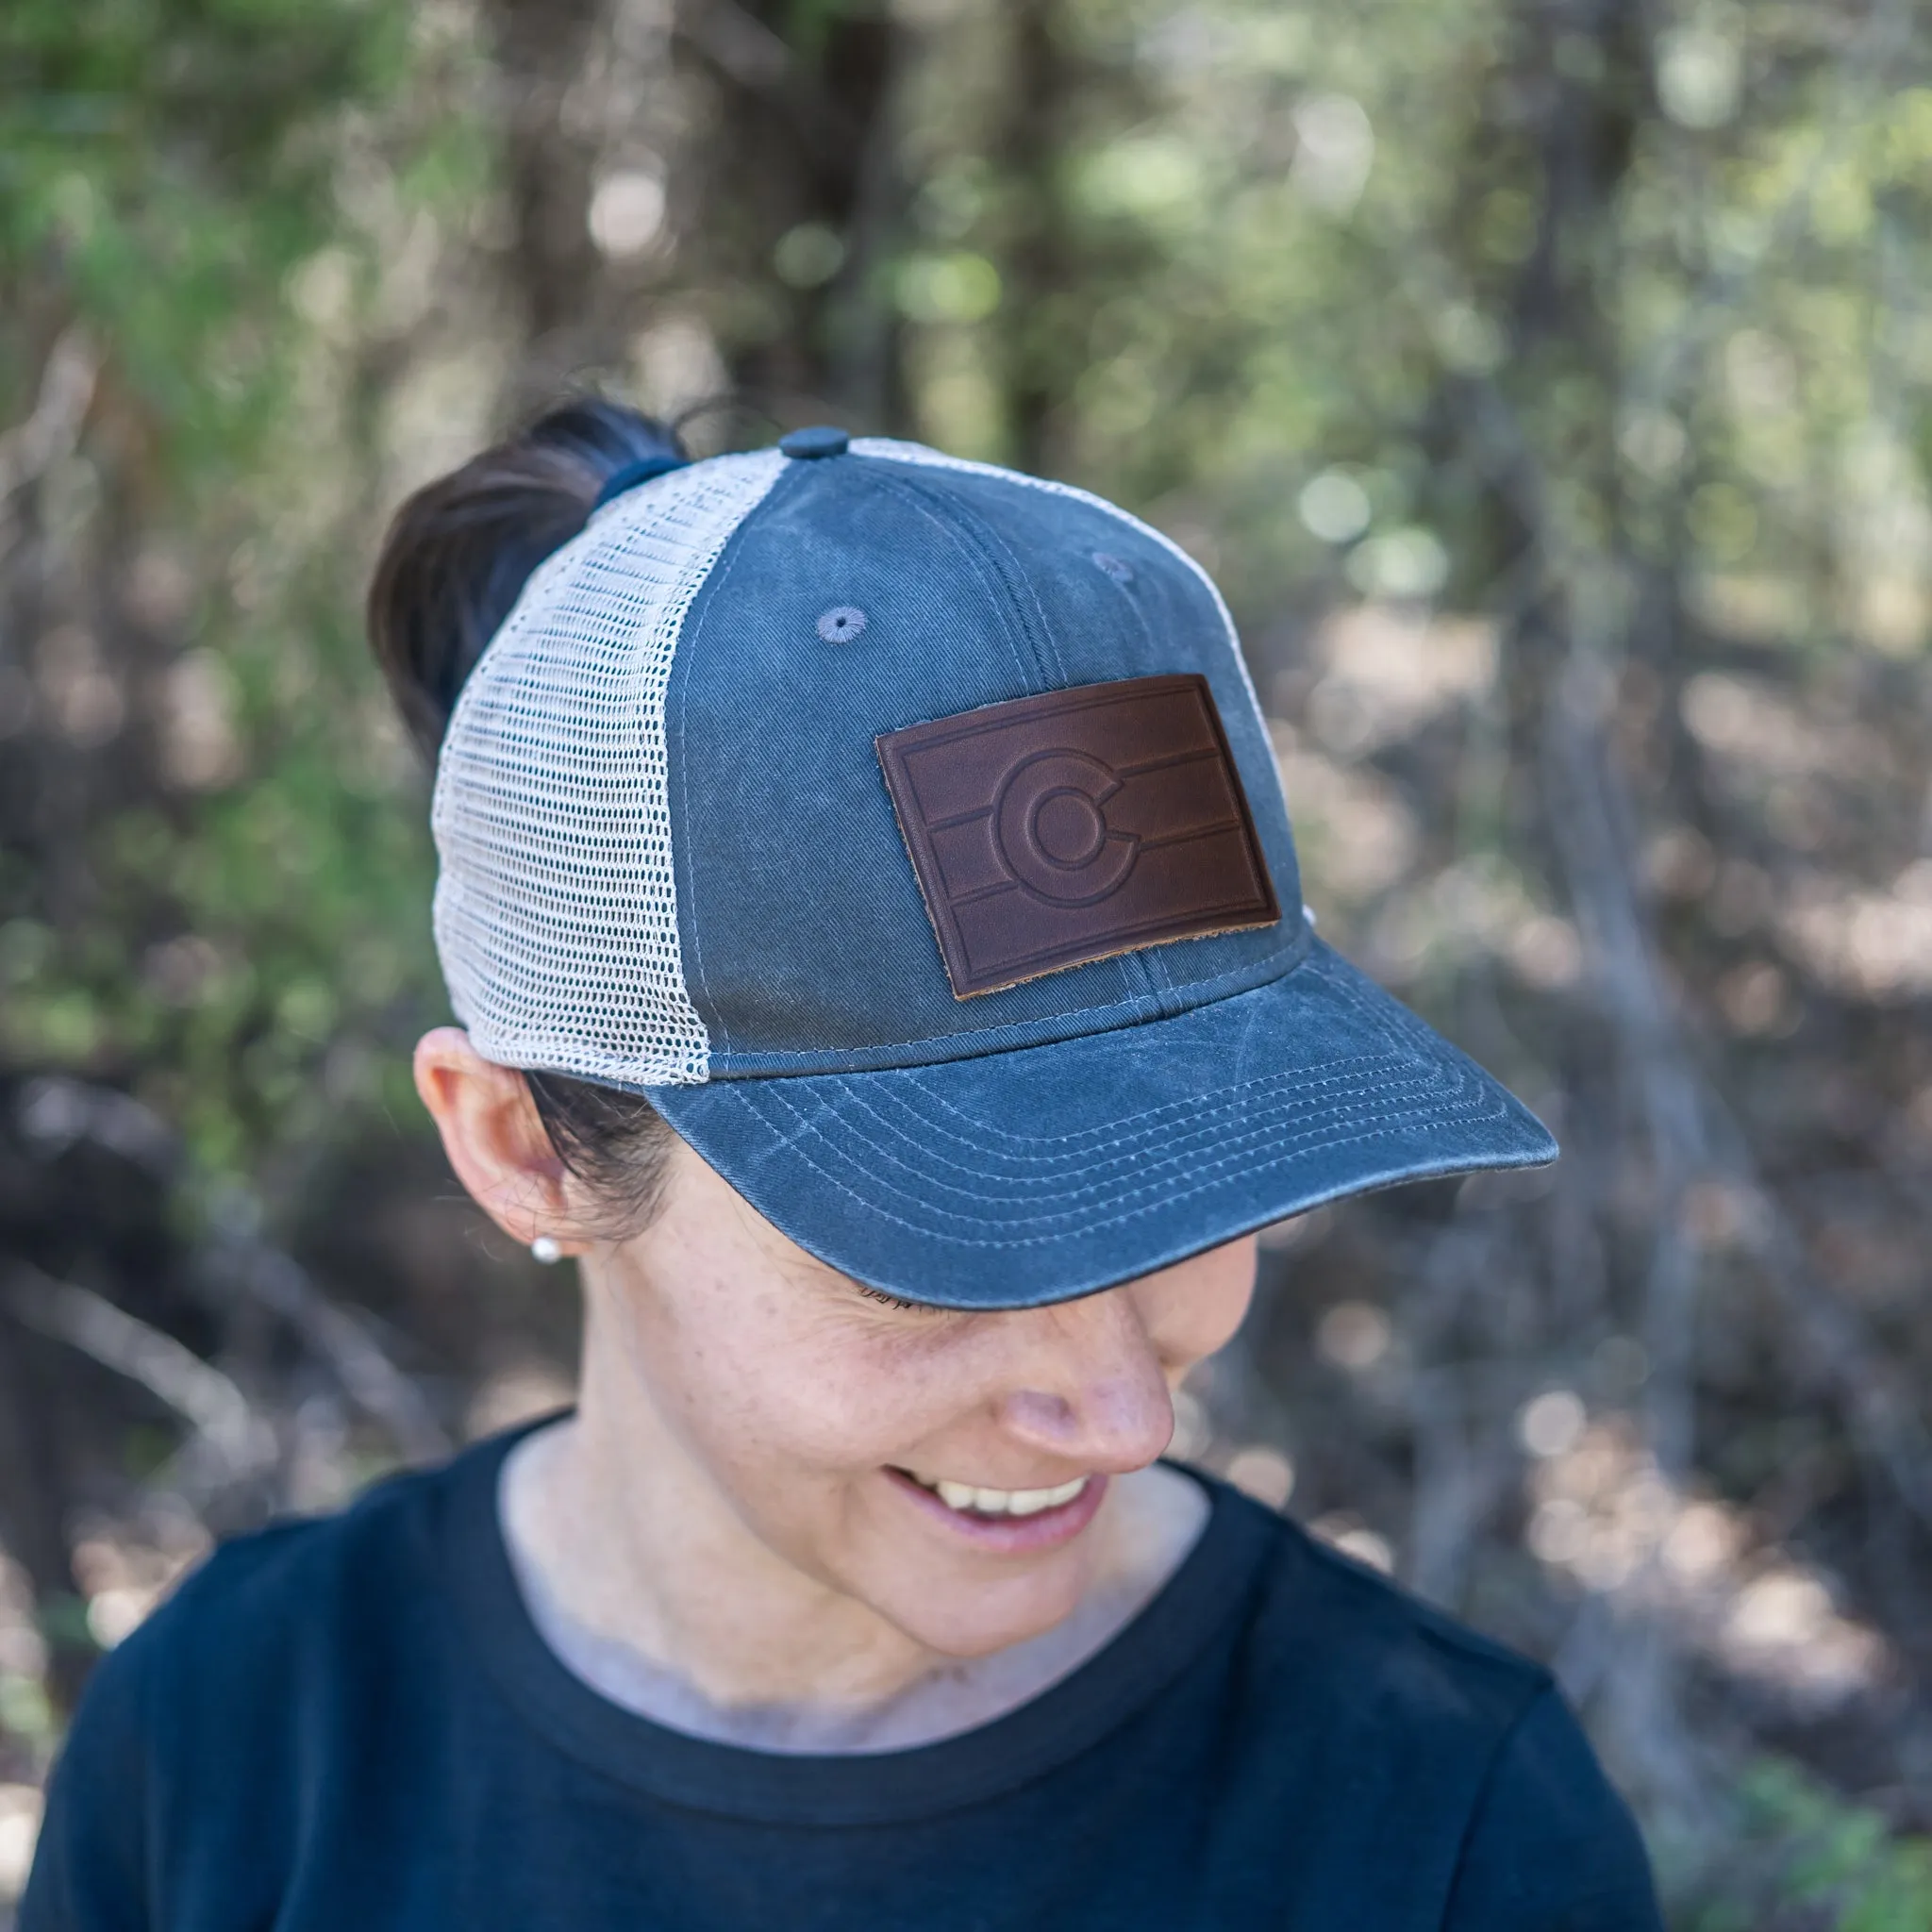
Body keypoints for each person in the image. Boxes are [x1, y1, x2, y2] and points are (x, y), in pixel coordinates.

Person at [22, 403, 1663, 1929]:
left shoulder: (1443, 1820)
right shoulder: (231, 1758)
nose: (1125, 1416)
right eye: (935, 1238)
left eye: (1185, 1185)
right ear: (524, 1149)